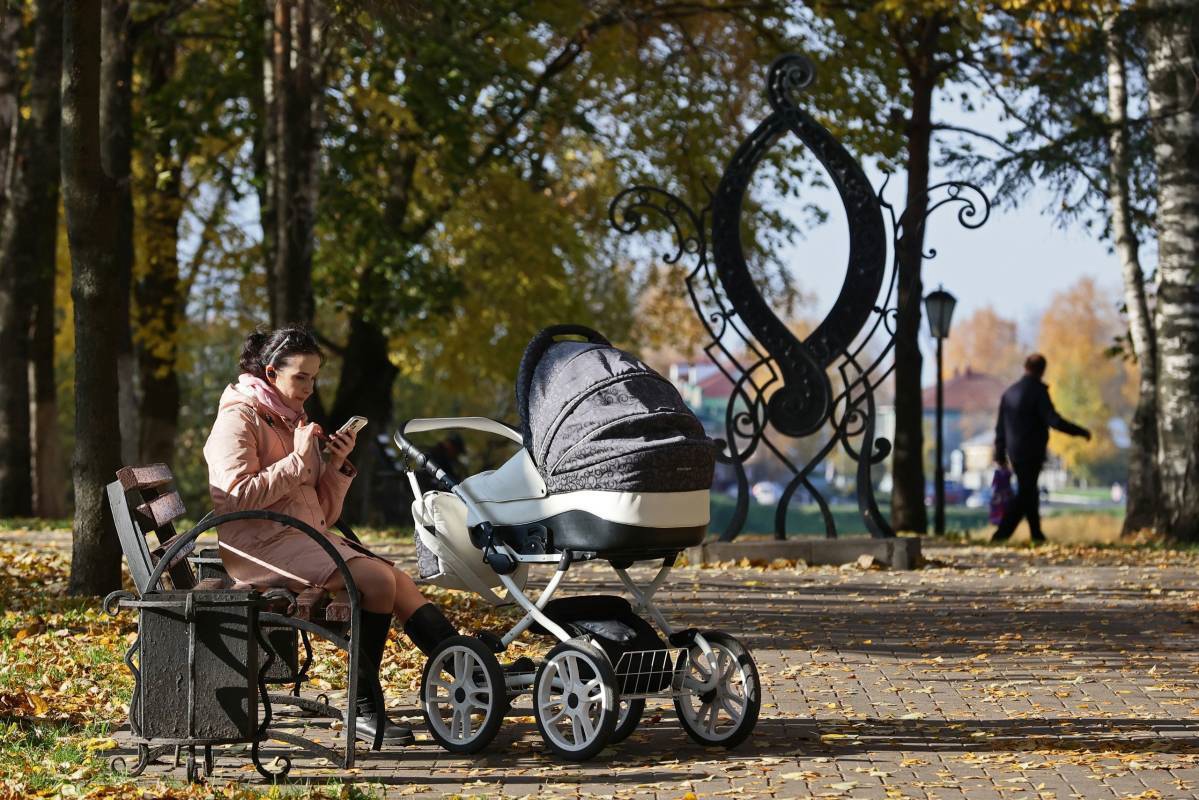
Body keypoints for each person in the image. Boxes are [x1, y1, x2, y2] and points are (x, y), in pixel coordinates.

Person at [203, 326, 461, 745]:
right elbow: (234, 500)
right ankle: (362, 707)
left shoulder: (288, 419)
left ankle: (469, 669)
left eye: (314, 377)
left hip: (299, 538)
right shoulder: (238, 419)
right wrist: (298, 458)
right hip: (258, 549)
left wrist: (334, 466)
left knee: (399, 582)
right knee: (376, 581)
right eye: (301, 377)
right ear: (271, 373)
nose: (309, 387)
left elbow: (320, 513)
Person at [991, 353, 1091, 544]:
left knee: (1029, 491)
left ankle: (1036, 534)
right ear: (1042, 370)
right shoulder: (1037, 392)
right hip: (1032, 451)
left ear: (1025, 366)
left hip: (1015, 452)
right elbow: (1054, 420)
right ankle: (1002, 535)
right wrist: (1080, 431)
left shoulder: (1009, 393)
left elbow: (1000, 427)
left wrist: (1000, 452)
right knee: (1026, 493)